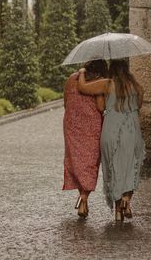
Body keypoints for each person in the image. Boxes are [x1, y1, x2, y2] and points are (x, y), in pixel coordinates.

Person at [78, 58, 145, 222]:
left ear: (112, 70)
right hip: (132, 130)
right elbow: (139, 104)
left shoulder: (107, 84)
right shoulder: (137, 87)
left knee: (113, 168)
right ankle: (127, 200)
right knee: (131, 166)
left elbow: (82, 88)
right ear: (127, 69)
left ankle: (117, 211)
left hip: (111, 130)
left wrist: (81, 73)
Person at [63, 59, 107, 218]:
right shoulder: (99, 83)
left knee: (76, 161)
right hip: (91, 127)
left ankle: (83, 199)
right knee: (90, 162)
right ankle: (83, 199)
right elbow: (101, 107)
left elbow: (66, 101)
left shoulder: (71, 78)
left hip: (72, 125)